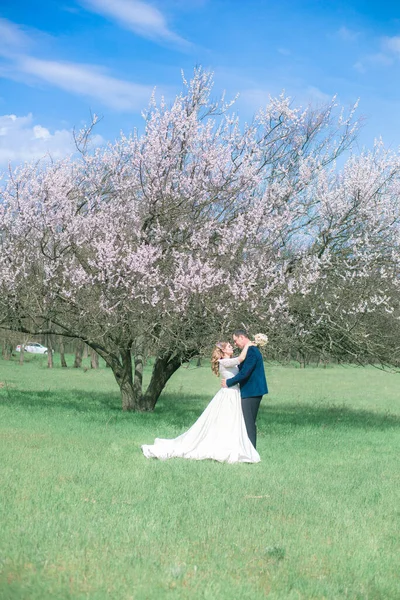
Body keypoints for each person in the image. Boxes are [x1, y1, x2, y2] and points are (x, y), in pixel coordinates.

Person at [141, 341, 260, 463]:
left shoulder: (231, 361)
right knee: (226, 420)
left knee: (232, 421)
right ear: (223, 351)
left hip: (234, 393)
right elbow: (241, 358)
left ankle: (233, 445)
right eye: (229, 346)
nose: (232, 348)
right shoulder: (224, 362)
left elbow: (242, 365)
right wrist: (247, 345)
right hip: (229, 395)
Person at [222, 329, 268, 449]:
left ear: (242, 337)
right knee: (247, 421)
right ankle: (247, 449)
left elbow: (245, 373)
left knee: (249, 423)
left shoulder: (252, 351)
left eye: (236, 340)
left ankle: (251, 451)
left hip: (252, 391)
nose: (235, 344)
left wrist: (228, 382)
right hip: (250, 391)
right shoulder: (248, 350)